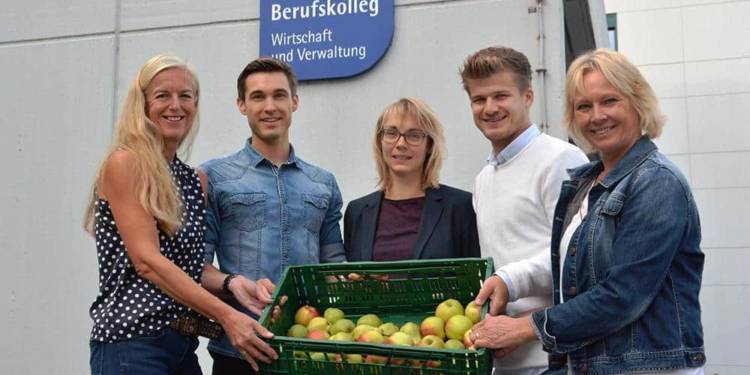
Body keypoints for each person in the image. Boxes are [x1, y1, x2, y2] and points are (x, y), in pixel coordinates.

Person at [469, 48, 706, 375]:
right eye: (584, 106)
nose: (596, 116)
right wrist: (509, 284)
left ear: (638, 102)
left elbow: (623, 296)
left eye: (610, 101)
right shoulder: (586, 184)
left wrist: (527, 328)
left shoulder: (656, 182)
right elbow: (571, 281)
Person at [84, 54, 278, 375]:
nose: (176, 105)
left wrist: (232, 283)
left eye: (185, 96)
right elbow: (148, 262)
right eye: (163, 95)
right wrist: (228, 316)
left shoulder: (193, 180)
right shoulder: (125, 163)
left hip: (182, 347)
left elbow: (188, 269)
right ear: (143, 104)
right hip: (131, 344)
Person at [200, 57, 346, 374]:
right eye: (258, 97)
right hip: (239, 350)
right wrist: (232, 283)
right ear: (241, 105)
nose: (270, 106)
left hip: (309, 348)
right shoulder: (214, 177)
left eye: (279, 95)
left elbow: (335, 266)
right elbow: (195, 267)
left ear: (294, 101)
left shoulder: (323, 183)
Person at [459, 46, 589, 374]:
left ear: (528, 96)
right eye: (479, 99)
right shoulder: (483, 177)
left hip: (555, 360)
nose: (489, 108)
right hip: (503, 359)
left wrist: (508, 280)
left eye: (501, 96)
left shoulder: (562, 160)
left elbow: (579, 260)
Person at [344, 97, 479, 262]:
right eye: (391, 133)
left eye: (414, 135)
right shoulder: (357, 212)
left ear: (429, 145)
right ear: (380, 141)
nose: (401, 143)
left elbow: (474, 280)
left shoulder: (461, 207)